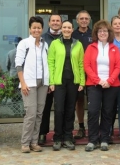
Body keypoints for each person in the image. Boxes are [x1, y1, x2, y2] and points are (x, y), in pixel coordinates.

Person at [83, 20, 120, 152]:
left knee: (107, 112)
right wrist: (97, 80)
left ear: (109, 33)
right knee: (93, 111)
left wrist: (109, 80)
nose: (102, 33)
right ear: (96, 33)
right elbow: (86, 65)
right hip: (94, 84)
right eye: (100, 31)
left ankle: (104, 138)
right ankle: (92, 140)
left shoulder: (114, 48)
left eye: (105, 31)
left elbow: (118, 66)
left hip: (111, 85)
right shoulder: (91, 47)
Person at [48, 20, 85, 151]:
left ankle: (68, 137)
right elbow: (50, 63)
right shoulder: (54, 44)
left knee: (70, 110)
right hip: (59, 82)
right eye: (64, 27)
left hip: (73, 82)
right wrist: (51, 82)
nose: (67, 29)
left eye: (69, 27)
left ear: (72, 29)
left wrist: (82, 82)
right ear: (61, 29)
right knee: (58, 110)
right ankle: (57, 137)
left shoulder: (78, 44)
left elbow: (81, 64)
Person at [15, 16, 49, 153]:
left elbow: (47, 64)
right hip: (29, 83)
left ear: (42, 29)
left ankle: (34, 142)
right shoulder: (24, 43)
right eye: (34, 27)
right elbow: (18, 64)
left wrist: (49, 82)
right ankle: (25, 143)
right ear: (30, 29)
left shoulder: (44, 44)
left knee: (39, 113)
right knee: (30, 114)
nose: (36, 30)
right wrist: (22, 83)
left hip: (43, 83)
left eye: (39, 28)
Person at [38, 14, 62, 145]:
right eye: (53, 20)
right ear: (49, 23)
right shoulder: (42, 38)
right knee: (45, 107)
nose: (55, 23)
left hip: (60, 79)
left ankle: (60, 133)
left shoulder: (65, 37)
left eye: (58, 21)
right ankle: (42, 133)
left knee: (60, 108)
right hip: (46, 78)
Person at [71, 10, 93, 140]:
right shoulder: (72, 34)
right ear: (77, 20)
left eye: (86, 18)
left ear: (89, 20)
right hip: (77, 73)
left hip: (91, 73)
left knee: (92, 101)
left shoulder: (94, 34)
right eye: (81, 18)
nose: (84, 20)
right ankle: (81, 127)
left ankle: (92, 127)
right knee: (78, 101)